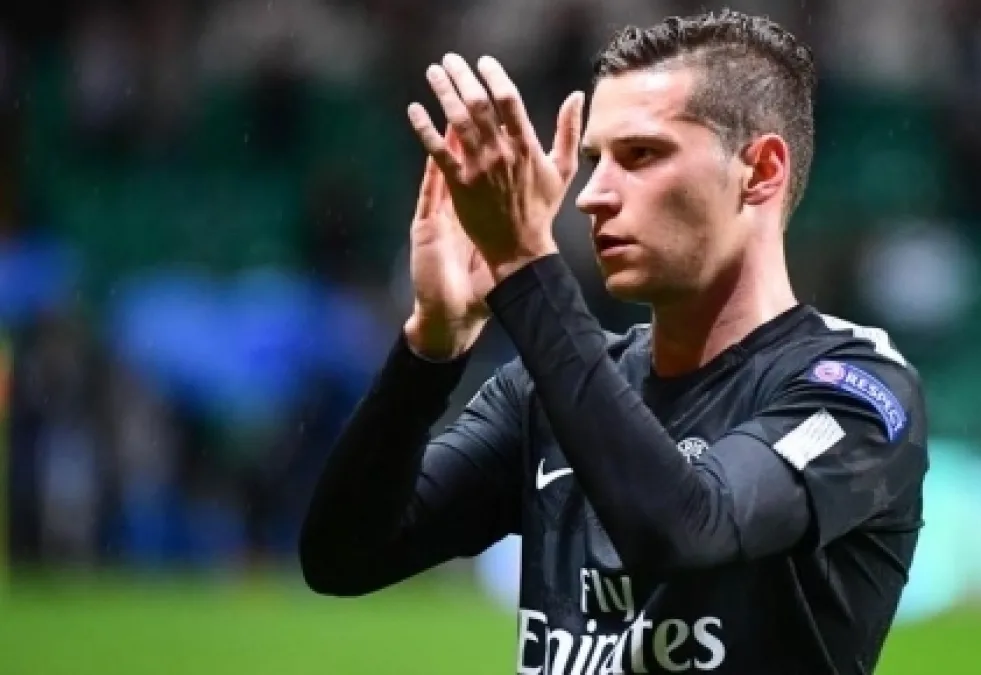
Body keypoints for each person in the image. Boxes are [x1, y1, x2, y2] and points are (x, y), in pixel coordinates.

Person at [299, 9, 929, 674]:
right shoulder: (541, 394)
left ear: (761, 170)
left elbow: (687, 528)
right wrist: (432, 348)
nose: (591, 196)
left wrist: (525, 266)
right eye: (595, 161)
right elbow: (343, 556)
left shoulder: (857, 391)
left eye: (641, 155)